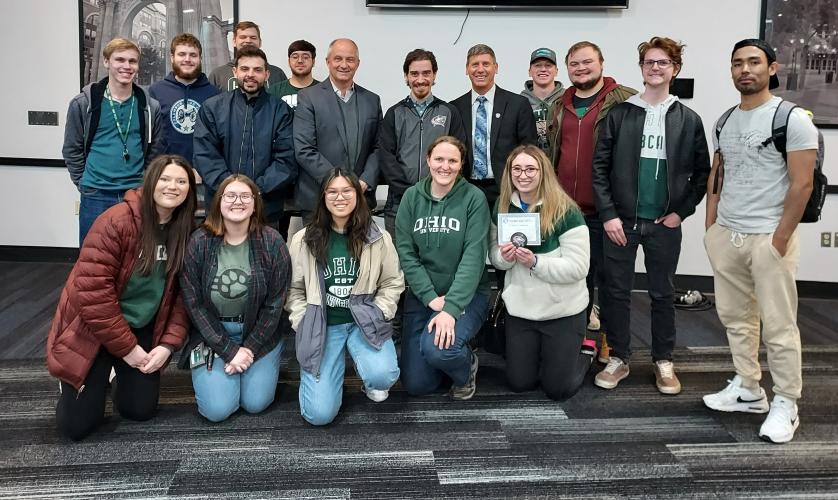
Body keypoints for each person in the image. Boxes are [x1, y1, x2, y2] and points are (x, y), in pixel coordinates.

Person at [702, 39, 818, 444]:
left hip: (769, 237)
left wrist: (781, 237)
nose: (744, 69)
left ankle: (787, 401)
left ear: (772, 67)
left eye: (753, 62)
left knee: (779, 326)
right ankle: (750, 389)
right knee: (736, 318)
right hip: (727, 235)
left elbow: (802, 183)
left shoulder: (792, 118)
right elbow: (719, 173)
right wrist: (711, 226)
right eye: (737, 63)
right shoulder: (725, 119)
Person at [590, 37, 710, 395]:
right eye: (649, 62)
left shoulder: (688, 119)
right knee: (616, 292)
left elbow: (703, 173)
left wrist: (681, 212)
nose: (655, 68)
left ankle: (663, 360)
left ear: (675, 69)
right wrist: (609, 215)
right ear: (641, 68)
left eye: (662, 62)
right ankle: (620, 358)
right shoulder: (621, 113)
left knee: (661, 293)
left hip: (663, 224)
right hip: (621, 222)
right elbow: (600, 168)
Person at [46, 154, 196, 441]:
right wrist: (129, 350)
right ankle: (81, 380)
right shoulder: (116, 222)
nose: (172, 186)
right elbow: (93, 296)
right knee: (76, 426)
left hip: (141, 328)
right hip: (94, 329)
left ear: (189, 189)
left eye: (181, 181)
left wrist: (167, 345)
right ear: (150, 181)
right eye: (165, 179)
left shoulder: (185, 231)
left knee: (139, 410)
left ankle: (114, 376)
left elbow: (181, 297)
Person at [286, 169, 403, 425]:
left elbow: (393, 282)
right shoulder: (303, 240)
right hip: (324, 325)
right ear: (323, 197)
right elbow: (293, 290)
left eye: (347, 191)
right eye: (333, 191)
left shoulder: (378, 239)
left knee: (383, 375)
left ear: (358, 195)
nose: (340, 197)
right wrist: (302, 321)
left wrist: (380, 311)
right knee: (319, 415)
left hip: (364, 321)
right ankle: (330, 381)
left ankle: (369, 377)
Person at [547, 41, 636, 362]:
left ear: (601, 63)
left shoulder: (625, 100)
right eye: (574, 64)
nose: (581, 68)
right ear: (567, 68)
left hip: (608, 211)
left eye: (587, 62)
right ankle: (579, 337)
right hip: (568, 212)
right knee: (575, 280)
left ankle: (612, 341)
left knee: (612, 282)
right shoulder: (559, 103)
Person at [179, 174, 291, 422]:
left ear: (255, 204)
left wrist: (248, 349)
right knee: (217, 411)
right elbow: (194, 304)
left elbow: (275, 305)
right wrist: (229, 351)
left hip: (259, 333)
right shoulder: (199, 242)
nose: (237, 202)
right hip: (213, 334)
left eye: (244, 196)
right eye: (230, 195)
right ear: (219, 202)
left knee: (256, 404)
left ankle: (253, 365)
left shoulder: (273, 243)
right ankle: (226, 370)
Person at [489, 145, 591, 400]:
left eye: (531, 169)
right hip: (521, 312)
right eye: (517, 169)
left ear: (543, 171)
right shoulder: (502, 207)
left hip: (561, 312)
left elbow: (579, 267)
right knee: (519, 383)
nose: (523, 175)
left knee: (557, 389)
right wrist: (504, 257)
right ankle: (549, 358)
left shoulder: (566, 211)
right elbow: (494, 257)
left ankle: (584, 353)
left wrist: (536, 263)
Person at [396, 136, 490, 400]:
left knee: (439, 351)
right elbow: (406, 252)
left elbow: (473, 258)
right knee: (417, 385)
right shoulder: (412, 197)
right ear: (428, 160)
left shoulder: (474, 198)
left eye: (452, 161)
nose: (444, 166)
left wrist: (450, 308)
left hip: (466, 296)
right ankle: (442, 352)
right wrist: (429, 297)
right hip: (424, 296)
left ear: (461, 165)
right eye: (439, 159)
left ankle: (465, 366)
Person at [63, 37, 165, 243]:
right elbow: (71, 149)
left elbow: (156, 150)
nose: (127, 66)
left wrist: (144, 184)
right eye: (120, 60)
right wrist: (84, 183)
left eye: (132, 61)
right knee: (94, 259)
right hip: (96, 195)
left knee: (134, 260)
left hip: (136, 194)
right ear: (106, 62)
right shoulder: (83, 103)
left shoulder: (150, 107)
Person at [193, 46, 297, 229]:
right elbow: (205, 156)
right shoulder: (212, 108)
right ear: (235, 72)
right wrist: (232, 191)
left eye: (257, 70)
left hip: (266, 208)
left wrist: (254, 190)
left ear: (267, 74)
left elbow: (286, 159)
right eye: (245, 69)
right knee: (221, 257)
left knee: (264, 258)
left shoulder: (281, 111)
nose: (251, 74)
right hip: (221, 206)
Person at [380, 48, 468, 240]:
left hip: (441, 201)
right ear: (406, 77)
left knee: (436, 261)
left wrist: (435, 190)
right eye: (414, 74)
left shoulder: (449, 111)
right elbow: (386, 158)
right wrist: (409, 193)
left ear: (434, 75)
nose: (420, 79)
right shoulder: (394, 113)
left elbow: (459, 154)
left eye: (426, 73)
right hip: (399, 202)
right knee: (399, 263)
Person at [294, 38, 383, 222]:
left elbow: (379, 147)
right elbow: (304, 148)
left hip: (360, 197)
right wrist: (339, 183)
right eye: (338, 59)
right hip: (318, 199)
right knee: (318, 251)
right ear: (328, 62)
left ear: (357, 64)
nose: (344, 65)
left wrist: (365, 180)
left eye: (350, 59)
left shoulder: (372, 100)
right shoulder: (308, 97)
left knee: (360, 251)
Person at [451, 44, 538, 211]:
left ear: (496, 68)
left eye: (486, 64)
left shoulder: (518, 104)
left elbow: (530, 150)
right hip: (465, 191)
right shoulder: (455, 108)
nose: (480, 69)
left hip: (508, 190)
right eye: (475, 64)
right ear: (467, 69)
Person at [149, 33, 219, 162]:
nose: (187, 59)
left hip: (203, 175)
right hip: (166, 172)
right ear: (172, 57)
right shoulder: (155, 91)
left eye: (193, 55)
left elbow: (218, 140)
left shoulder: (215, 94)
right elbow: (151, 139)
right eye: (182, 54)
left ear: (200, 58)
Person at [208, 21, 287, 92]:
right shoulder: (217, 75)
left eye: (253, 38)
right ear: (234, 42)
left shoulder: (277, 73)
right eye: (243, 37)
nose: (248, 41)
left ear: (260, 42)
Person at [521, 48, 564, 153]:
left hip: (561, 165)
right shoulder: (519, 102)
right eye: (537, 65)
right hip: (531, 165)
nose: (543, 69)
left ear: (556, 71)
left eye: (548, 65)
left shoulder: (568, 99)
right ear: (530, 71)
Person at [267, 39, 319, 109]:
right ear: (289, 61)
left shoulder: (323, 91)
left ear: (313, 62)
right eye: (295, 57)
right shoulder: (274, 91)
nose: (300, 61)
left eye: (305, 57)